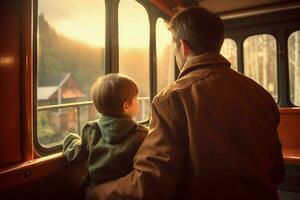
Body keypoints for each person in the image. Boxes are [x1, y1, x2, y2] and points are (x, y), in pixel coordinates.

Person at [86, 6, 284, 200]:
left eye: (174, 46)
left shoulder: (172, 98)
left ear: (183, 46)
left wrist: (96, 193)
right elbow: (277, 172)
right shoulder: (260, 94)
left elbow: (150, 184)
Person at [63, 74, 148, 187]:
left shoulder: (91, 130)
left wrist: (70, 139)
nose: (138, 102)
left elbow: (76, 155)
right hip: (122, 190)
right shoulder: (140, 134)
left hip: (95, 189)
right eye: (136, 99)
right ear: (126, 107)